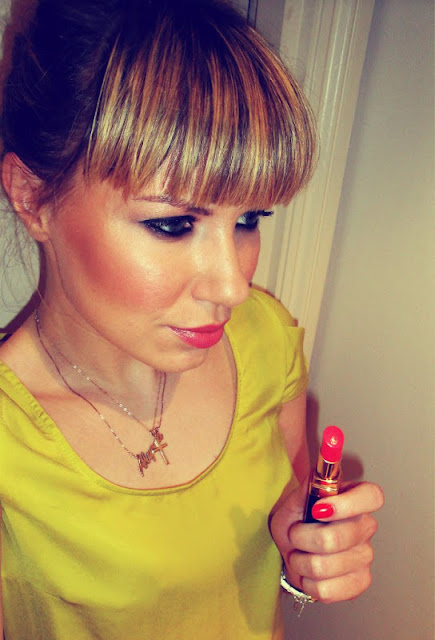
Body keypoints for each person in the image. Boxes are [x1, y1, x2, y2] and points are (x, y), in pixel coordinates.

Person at [0, 0, 384, 638]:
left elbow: (286, 504)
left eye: (249, 219)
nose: (233, 286)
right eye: (173, 224)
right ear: (32, 198)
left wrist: (299, 547)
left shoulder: (265, 338)